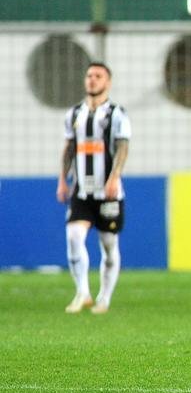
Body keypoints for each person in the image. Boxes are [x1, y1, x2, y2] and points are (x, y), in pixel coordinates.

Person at [56, 62, 131, 314]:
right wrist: (61, 179)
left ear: (107, 82)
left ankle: (104, 298)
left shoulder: (116, 114)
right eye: (89, 75)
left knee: (109, 246)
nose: (92, 80)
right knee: (73, 236)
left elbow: (122, 147)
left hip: (108, 192)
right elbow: (69, 149)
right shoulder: (74, 114)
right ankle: (82, 292)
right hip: (81, 191)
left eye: (98, 76)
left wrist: (115, 177)